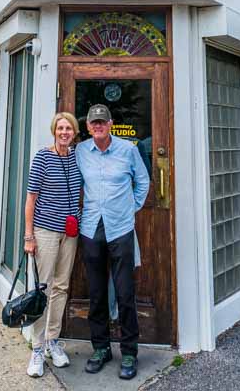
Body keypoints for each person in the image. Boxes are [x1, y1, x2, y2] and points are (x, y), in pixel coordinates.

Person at [76, 104, 150, 381]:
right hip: (91, 228)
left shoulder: (128, 149)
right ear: (88, 127)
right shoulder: (81, 151)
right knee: (96, 293)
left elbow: (143, 182)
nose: (98, 126)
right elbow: (72, 181)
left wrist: (130, 209)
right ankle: (101, 348)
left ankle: (129, 351)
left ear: (110, 124)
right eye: (94, 123)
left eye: (102, 122)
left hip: (120, 229)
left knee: (125, 293)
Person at [23, 112, 82, 379]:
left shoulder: (76, 157)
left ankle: (52, 341)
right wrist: (29, 236)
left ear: (75, 132)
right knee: (42, 289)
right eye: (60, 128)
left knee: (61, 286)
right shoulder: (42, 157)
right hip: (45, 231)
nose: (64, 132)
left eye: (69, 128)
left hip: (70, 232)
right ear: (53, 131)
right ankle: (36, 348)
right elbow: (31, 199)